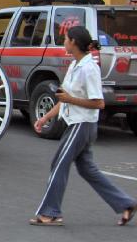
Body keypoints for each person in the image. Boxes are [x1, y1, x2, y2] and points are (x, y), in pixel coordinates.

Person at [30, 26, 136, 226]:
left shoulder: (89, 69)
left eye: (66, 39)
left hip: (82, 124)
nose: (64, 42)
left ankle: (51, 213)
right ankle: (126, 204)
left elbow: (99, 103)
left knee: (58, 164)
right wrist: (46, 118)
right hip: (76, 122)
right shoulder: (75, 65)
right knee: (87, 169)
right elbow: (66, 98)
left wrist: (69, 98)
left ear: (74, 43)